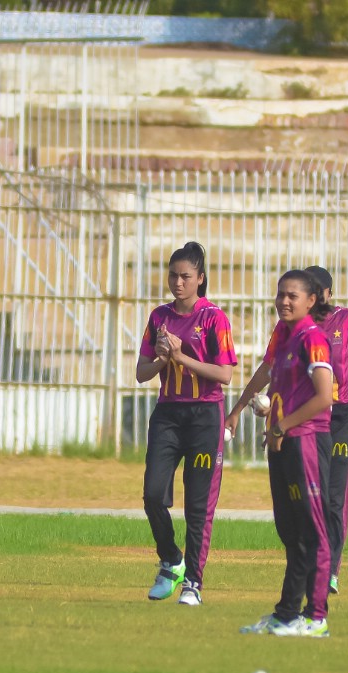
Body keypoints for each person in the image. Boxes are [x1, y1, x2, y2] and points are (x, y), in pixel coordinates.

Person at [225, 265, 348, 596]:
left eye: (318, 293)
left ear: (326, 295)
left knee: (334, 497)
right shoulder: (289, 329)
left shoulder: (346, 320)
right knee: (304, 501)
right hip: (304, 420)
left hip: (339, 417)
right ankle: (305, 572)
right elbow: (267, 369)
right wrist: (237, 409)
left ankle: (330, 571)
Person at [134, 242, 237, 605]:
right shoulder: (159, 317)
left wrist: (181, 356)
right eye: (173, 276)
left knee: (198, 506)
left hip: (204, 417)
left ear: (200, 279)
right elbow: (141, 373)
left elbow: (224, 374)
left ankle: (193, 582)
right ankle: (171, 560)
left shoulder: (214, 318)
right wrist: (163, 360)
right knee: (152, 494)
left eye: (186, 276)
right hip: (168, 415)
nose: (178, 283)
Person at [238, 270, 339, 638]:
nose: (283, 301)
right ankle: (286, 614)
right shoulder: (284, 335)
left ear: (311, 301)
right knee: (291, 531)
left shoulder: (313, 338)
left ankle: (316, 617)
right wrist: (269, 419)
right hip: (282, 442)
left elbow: (324, 397)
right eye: (280, 294)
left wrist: (282, 426)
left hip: (307, 441)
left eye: (292, 295)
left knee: (313, 531)